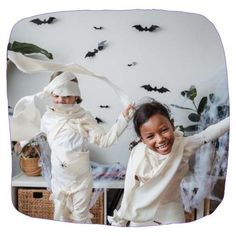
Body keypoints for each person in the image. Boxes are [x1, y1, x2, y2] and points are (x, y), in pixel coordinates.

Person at [108, 99, 230, 227]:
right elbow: (130, 189)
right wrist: (120, 220)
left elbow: (206, 135)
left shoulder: (183, 146)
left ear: (172, 125)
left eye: (164, 130)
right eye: (150, 137)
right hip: (141, 213)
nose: (160, 139)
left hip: (171, 212)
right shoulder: (138, 154)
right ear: (142, 139)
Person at [39, 71, 134, 224]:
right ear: (51, 93)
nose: (60, 100)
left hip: (80, 181)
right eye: (56, 95)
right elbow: (39, 136)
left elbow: (105, 141)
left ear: (76, 95)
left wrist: (124, 118)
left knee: (80, 220)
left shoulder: (83, 117)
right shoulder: (48, 118)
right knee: (61, 219)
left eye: (66, 96)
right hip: (59, 180)